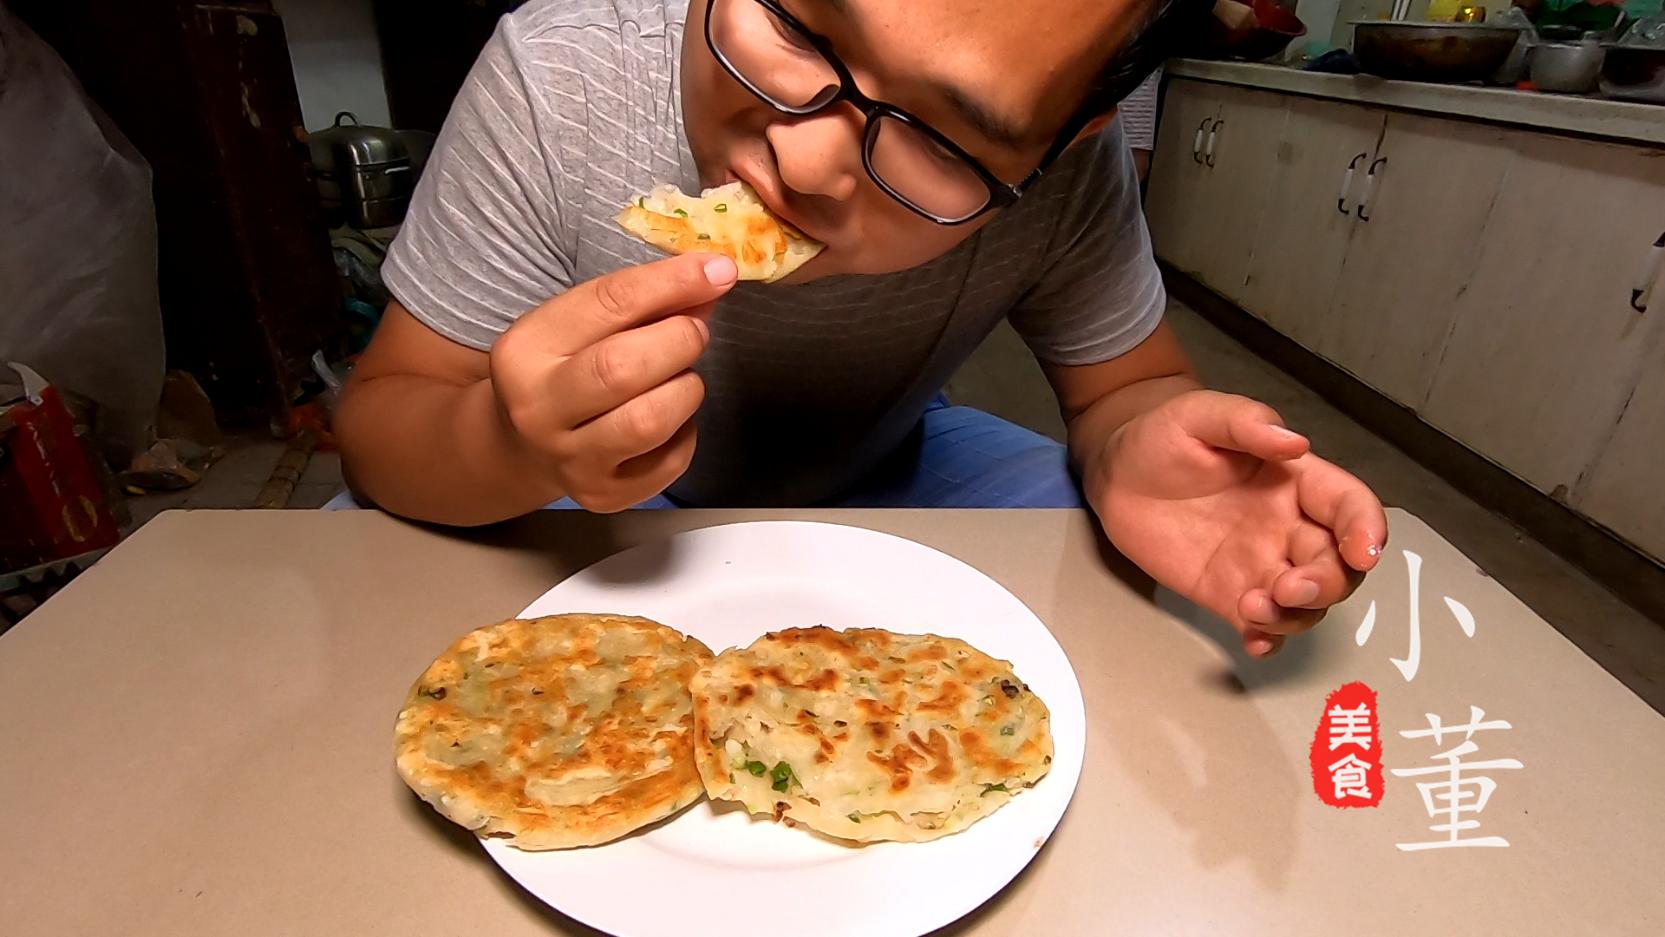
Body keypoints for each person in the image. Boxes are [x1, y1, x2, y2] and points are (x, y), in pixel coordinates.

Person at [335, 0, 1388, 658]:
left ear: (1067, 140)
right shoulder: (557, 80)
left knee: (1101, 567)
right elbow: (383, 419)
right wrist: (506, 446)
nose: (806, 163)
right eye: (798, 30)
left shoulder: (1063, 172)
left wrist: (1133, 442)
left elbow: (1124, 390)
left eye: (941, 136)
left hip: (889, 462)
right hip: (581, 489)